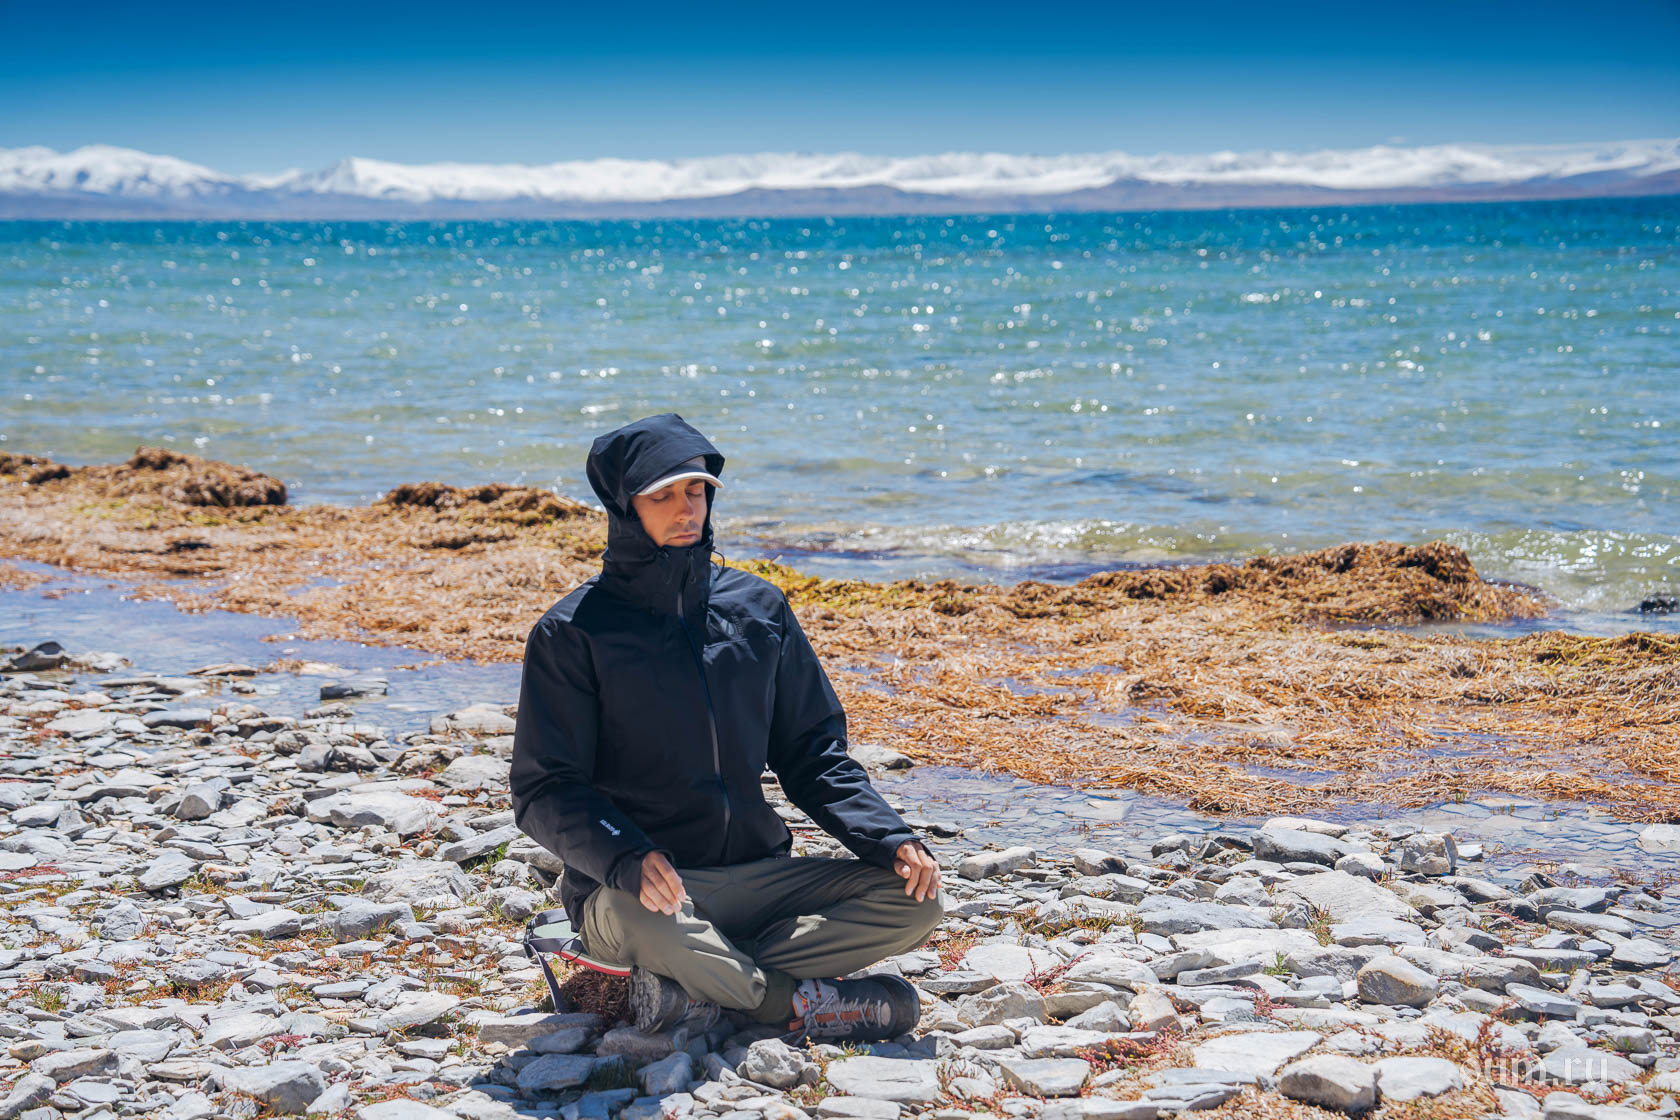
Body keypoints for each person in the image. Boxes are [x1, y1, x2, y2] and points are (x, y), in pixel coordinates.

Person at [511, 413, 942, 1041]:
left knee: (917, 899)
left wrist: (889, 838)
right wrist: (625, 856)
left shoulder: (758, 609)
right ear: (625, 507)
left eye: (696, 490)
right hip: (637, 892)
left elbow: (813, 754)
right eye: (662, 495)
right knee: (648, 924)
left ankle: (699, 984)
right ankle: (788, 1003)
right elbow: (544, 788)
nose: (686, 508)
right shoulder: (573, 633)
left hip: (755, 877)